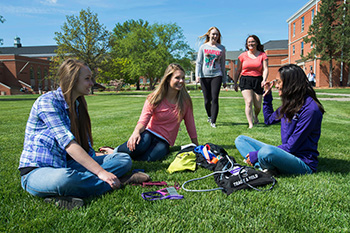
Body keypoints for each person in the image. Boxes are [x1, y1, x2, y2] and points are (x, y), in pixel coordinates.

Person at [18, 59, 138, 210]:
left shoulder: (77, 105)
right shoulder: (47, 102)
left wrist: (109, 157)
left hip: (67, 164)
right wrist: (101, 172)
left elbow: (85, 149)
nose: (91, 83)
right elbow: (68, 143)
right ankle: (119, 181)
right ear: (72, 80)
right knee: (66, 179)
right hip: (37, 171)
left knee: (123, 159)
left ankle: (74, 191)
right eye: (87, 79)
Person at [235, 64, 325, 175]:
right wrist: (267, 97)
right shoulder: (290, 104)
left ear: (290, 84)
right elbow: (268, 120)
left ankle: (264, 165)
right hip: (286, 154)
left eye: (278, 82)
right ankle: (266, 167)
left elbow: (292, 146)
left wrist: (256, 154)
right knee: (241, 140)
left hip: (302, 162)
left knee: (266, 152)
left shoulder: (311, 110)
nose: (276, 85)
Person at [116, 63, 198, 161]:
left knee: (149, 158)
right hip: (149, 133)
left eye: (183, 78)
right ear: (168, 79)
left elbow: (190, 123)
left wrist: (196, 145)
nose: (181, 81)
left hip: (164, 141)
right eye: (177, 78)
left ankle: (124, 156)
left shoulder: (185, 101)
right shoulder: (154, 98)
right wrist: (136, 132)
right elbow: (143, 120)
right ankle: (114, 152)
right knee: (140, 146)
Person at [195, 26, 228, 128]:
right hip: (204, 76)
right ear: (209, 35)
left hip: (216, 75)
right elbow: (199, 63)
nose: (215, 36)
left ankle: (213, 121)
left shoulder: (221, 48)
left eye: (217, 34)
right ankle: (209, 115)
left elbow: (222, 65)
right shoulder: (203, 47)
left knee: (214, 98)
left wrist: (224, 79)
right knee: (206, 100)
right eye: (213, 34)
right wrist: (197, 75)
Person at [234, 35, 268, 128]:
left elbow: (265, 69)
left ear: (257, 43)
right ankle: (250, 124)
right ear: (246, 44)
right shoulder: (242, 56)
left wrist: (264, 80)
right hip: (245, 80)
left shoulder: (262, 55)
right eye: (249, 42)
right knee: (248, 102)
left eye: (253, 41)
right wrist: (235, 83)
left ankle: (255, 116)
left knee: (258, 106)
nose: (251, 44)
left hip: (258, 80)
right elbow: (238, 70)